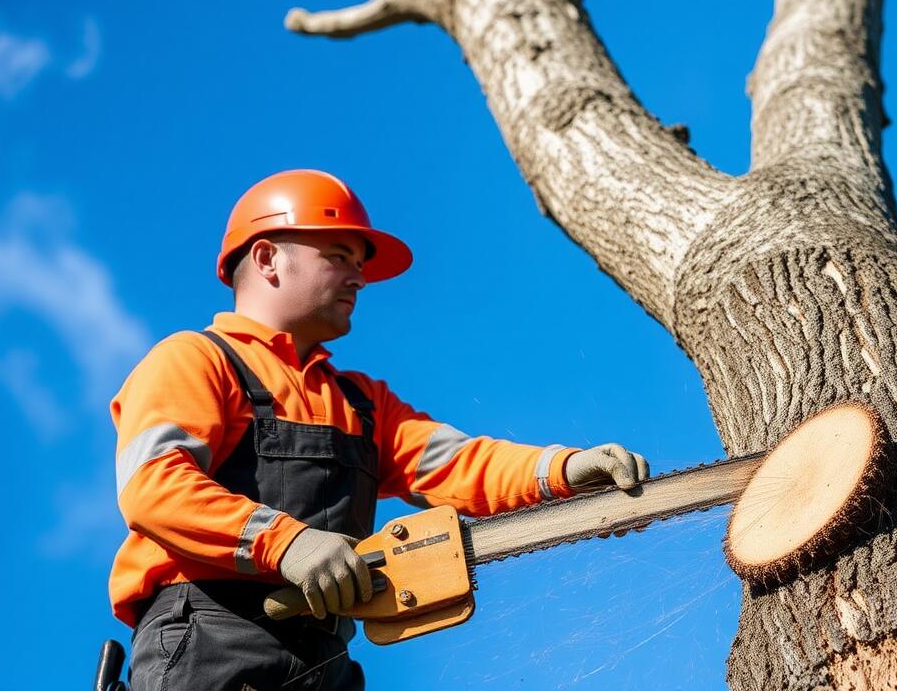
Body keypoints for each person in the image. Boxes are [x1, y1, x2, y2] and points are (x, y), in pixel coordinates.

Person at [109, 169, 650, 690]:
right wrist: (287, 543)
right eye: (339, 255)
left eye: (359, 262)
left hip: (325, 654)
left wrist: (561, 471)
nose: (359, 276)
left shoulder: (362, 401)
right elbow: (155, 488)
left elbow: (459, 464)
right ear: (268, 258)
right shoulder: (196, 359)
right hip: (210, 641)